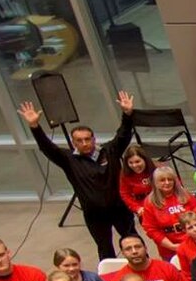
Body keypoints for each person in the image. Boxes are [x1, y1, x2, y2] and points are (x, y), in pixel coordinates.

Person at [21, 91, 139, 258]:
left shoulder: (110, 151)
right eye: (79, 140)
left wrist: (127, 114)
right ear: (73, 142)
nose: (85, 143)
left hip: (119, 208)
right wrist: (35, 127)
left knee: (133, 241)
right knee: (105, 249)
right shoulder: (68, 159)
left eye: (87, 139)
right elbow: (47, 148)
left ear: (93, 139)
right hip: (94, 214)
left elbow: (123, 135)